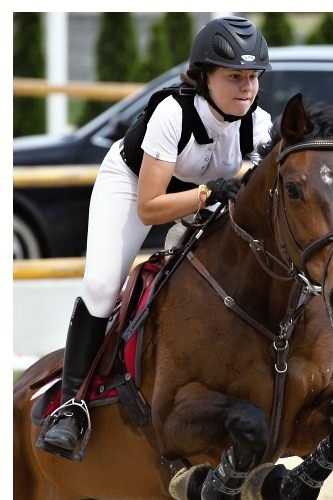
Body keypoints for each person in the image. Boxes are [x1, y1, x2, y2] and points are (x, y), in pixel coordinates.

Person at [42, 16, 273, 454]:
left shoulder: (257, 123)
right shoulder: (173, 112)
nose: (246, 88)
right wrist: (207, 195)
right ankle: (71, 406)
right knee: (102, 285)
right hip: (133, 187)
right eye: (234, 77)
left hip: (202, 196)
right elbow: (150, 206)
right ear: (205, 77)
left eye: (253, 77)